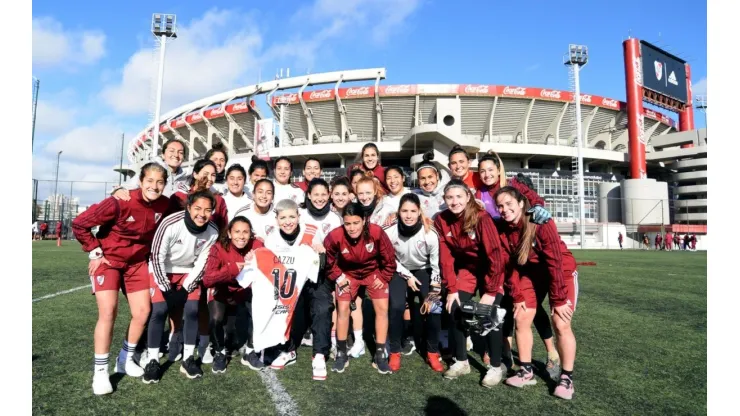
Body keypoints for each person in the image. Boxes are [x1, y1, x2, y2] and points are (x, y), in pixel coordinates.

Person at [71, 163, 171, 395]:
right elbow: (80, 224)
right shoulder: (119, 201)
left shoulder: (165, 204)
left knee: (143, 313)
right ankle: (100, 372)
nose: (154, 186)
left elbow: (189, 208)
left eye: (160, 182)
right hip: (109, 262)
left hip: (136, 264)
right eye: (150, 181)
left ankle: (124, 360)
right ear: (140, 181)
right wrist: (95, 251)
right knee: (108, 312)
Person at [495, 186, 578, 400]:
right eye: (500, 206)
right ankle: (526, 371)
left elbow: (555, 262)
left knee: (560, 322)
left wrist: (558, 299)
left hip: (561, 272)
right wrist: (517, 295)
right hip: (531, 274)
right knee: (521, 317)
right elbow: (509, 265)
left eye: (509, 204)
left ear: (521, 203)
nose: (504, 210)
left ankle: (566, 378)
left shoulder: (540, 221)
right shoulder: (502, 229)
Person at [433, 179, 506, 388]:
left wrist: (491, 291)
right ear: (444, 199)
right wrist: (451, 289)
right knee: (455, 308)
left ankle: (495, 366)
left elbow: (495, 255)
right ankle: (461, 361)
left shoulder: (481, 218)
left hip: (491, 269)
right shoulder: (442, 220)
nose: (454, 202)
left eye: (458, 197)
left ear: (468, 197)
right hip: (468, 270)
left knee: (489, 313)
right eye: (449, 197)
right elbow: (445, 257)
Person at [142, 190, 220, 383]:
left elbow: (202, 262)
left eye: (207, 210)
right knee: (159, 310)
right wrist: (166, 288)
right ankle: (153, 359)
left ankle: (188, 358)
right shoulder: (170, 223)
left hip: (188, 272)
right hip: (164, 270)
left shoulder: (213, 231)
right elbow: (157, 256)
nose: (202, 214)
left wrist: (186, 289)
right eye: (198, 208)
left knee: (192, 309)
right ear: (189, 207)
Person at [262, 199, 332, 381]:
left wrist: (321, 252)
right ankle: (288, 349)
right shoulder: (272, 238)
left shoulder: (312, 231)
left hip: (313, 280)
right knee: (283, 304)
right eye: (283, 217)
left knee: (322, 306)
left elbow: (323, 263)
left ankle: (319, 354)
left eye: (292, 216)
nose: (288, 221)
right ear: (276, 219)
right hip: (288, 283)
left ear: (299, 216)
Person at [324, 202, 397, 374]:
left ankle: (379, 354)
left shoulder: (376, 232)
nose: (351, 227)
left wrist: (384, 276)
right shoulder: (335, 236)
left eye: (356, 222)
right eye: (347, 223)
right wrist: (339, 277)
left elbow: (389, 259)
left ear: (364, 220)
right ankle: (341, 353)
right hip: (347, 274)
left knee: (382, 308)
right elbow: (328, 263)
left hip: (373, 273)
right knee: (342, 309)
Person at [384, 193, 444, 373]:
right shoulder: (389, 231)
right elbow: (388, 259)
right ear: (398, 212)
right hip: (399, 270)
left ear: (419, 212)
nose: (408, 215)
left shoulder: (430, 234)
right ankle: (395, 350)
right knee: (396, 307)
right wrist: (407, 276)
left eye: (412, 211)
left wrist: (434, 290)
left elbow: (436, 266)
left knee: (434, 307)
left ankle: (432, 351)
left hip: (424, 270)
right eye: (404, 211)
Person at [202, 216, 264, 374]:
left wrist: (258, 255)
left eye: (245, 232)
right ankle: (219, 352)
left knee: (259, 312)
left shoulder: (256, 245)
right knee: (216, 319)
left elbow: (267, 263)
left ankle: (250, 351)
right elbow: (208, 280)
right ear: (229, 233)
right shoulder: (218, 248)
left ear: (251, 234)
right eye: (237, 232)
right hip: (222, 291)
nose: (241, 236)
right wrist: (232, 269)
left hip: (244, 292)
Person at [112, 139, 189, 198]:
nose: (176, 155)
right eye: (171, 151)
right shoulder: (151, 171)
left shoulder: (186, 178)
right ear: (163, 155)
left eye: (180, 152)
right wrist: (118, 190)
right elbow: (129, 186)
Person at [169, 159, 228, 231]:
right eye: (205, 174)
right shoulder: (180, 196)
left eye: (213, 175)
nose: (210, 179)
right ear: (195, 174)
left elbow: (223, 228)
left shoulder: (218, 200)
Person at [413, 151, 449, 219]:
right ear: (418, 180)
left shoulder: (448, 192)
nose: (427, 182)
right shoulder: (415, 197)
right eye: (423, 178)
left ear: (437, 176)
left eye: (430, 177)